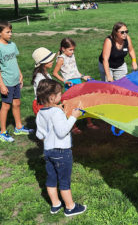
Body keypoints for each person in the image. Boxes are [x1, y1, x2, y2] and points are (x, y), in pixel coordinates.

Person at [35, 79, 87, 217]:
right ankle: (70, 207)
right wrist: (73, 117)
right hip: (61, 152)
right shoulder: (56, 113)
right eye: (59, 94)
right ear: (52, 97)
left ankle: (56, 204)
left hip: (48, 151)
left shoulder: (41, 113)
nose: (61, 96)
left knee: (51, 179)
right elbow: (62, 131)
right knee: (64, 181)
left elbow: (40, 134)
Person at [53, 37, 98, 134]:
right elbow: (55, 73)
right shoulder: (61, 59)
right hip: (70, 84)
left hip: (78, 81)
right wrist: (65, 81)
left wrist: (83, 76)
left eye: (73, 50)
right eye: (70, 50)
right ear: (63, 49)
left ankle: (89, 123)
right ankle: (73, 126)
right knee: (71, 105)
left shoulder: (72, 56)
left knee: (84, 102)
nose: (72, 52)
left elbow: (75, 71)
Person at [0, 21, 33, 142]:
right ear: (0, 33)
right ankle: (2, 132)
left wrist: (20, 74)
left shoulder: (12, 45)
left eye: (11, 31)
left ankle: (18, 127)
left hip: (15, 80)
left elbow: (14, 61)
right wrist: (1, 84)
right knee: (5, 106)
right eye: (7, 32)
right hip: (6, 81)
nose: (10, 34)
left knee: (17, 103)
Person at [31, 47, 56, 115]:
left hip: (46, 102)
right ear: (44, 63)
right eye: (50, 60)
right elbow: (44, 96)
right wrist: (55, 105)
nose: (52, 62)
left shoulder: (44, 73)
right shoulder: (40, 78)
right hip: (43, 104)